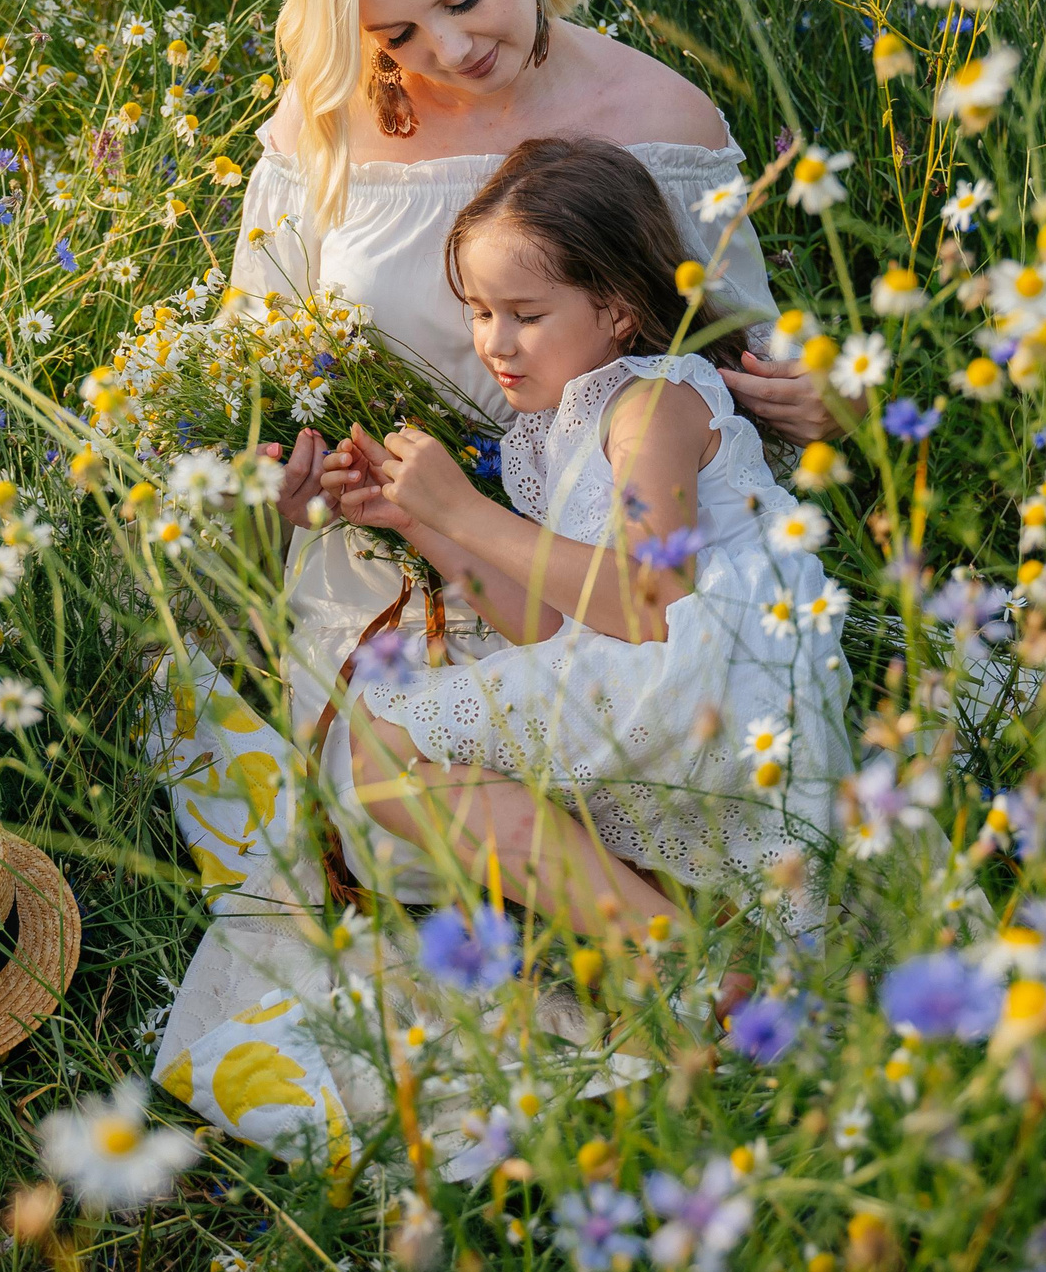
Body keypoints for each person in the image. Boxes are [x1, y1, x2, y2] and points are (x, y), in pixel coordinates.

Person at [145, 0, 841, 1181]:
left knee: (537, 747)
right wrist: (275, 476)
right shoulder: (326, 121)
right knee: (377, 799)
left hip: (603, 514)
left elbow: (724, 352)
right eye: (394, 31)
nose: (443, 53)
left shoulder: (660, 112)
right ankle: (641, 895)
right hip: (390, 529)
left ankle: (665, 924)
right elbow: (256, 341)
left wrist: (833, 401)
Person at [336, 136, 848, 944]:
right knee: (381, 755)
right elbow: (557, 622)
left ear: (618, 310)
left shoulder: (652, 404)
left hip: (721, 683)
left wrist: (466, 509)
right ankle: (673, 945)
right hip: (667, 672)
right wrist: (419, 521)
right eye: (479, 310)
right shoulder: (559, 425)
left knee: (385, 747)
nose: (495, 342)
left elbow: (651, 602)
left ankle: (675, 959)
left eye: (526, 315)